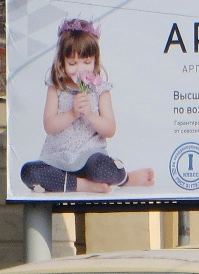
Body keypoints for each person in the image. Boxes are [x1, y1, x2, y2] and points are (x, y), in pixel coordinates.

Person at [20, 19, 154, 194]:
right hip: (58, 160)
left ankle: (125, 179)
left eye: (86, 62)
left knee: (103, 168)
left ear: (95, 60)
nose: (80, 69)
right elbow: (49, 126)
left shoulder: (100, 89)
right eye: (72, 64)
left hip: (91, 158)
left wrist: (89, 114)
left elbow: (110, 129)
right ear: (62, 62)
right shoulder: (56, 87)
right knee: (29, 173)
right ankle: (84, 185)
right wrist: (72, 113)